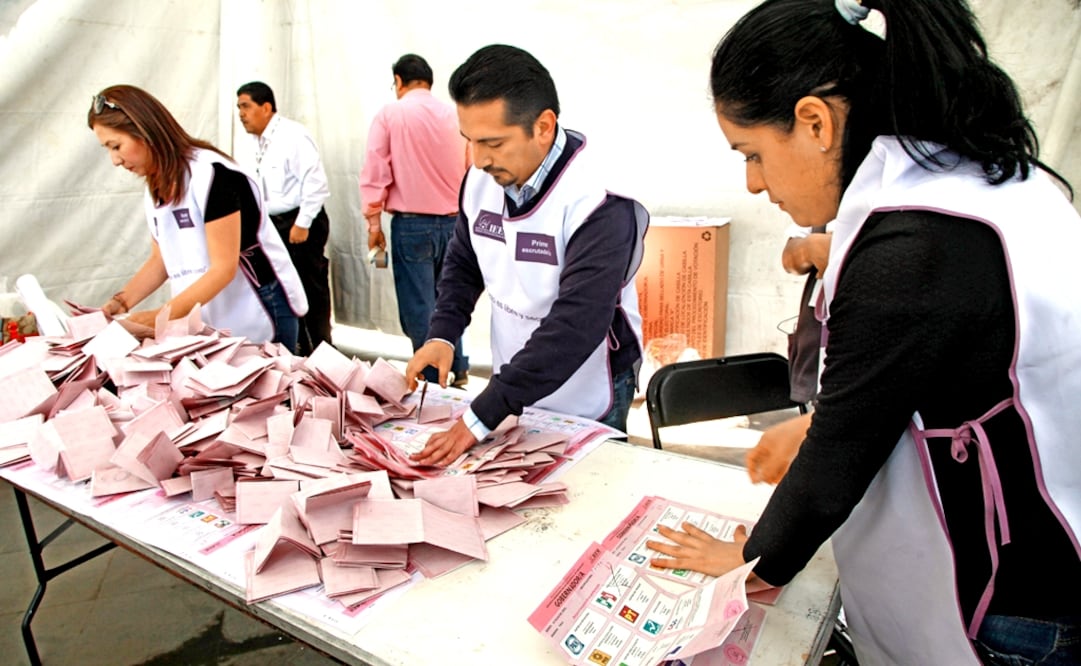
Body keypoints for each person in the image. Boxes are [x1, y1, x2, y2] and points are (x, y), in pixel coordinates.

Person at [646, 2, 1081, 664]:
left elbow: (832, 471)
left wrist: (748, 560)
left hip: (1007, 604)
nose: (753, 183)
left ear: (814, 121)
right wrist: (824, 419)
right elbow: (934, 370)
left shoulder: (910, 247)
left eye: (753, 154)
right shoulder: (979, 179)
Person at [404, 44, 649, 467]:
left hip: (589, 382)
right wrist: (442, 334)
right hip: (516, 380)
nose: (479, 160)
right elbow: (464, 263)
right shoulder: (482, 181)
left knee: (588, 490)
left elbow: (576, 325)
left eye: (493, 143)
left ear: (544, 127)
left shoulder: (599, 201)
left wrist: (481, 416)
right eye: (470, 142)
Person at [88, 85, 308, 349]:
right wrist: (119, 303)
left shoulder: (213, 176)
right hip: (209, 307)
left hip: (260, 305)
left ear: (144, 131)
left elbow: (223, 269)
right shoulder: (156, 185)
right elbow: (160, 260)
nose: (115, 160)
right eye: (108, 149)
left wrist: (159, 317)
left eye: (116, 146)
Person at [359, 55, 470, 385]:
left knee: (420, 305)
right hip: (454, 222)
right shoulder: (454, 114)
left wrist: (373, 224)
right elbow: (471, 168)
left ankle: (433, 373)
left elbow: (376, 170)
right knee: (450, 298)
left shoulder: (391, 114)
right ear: (429, 82)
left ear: (398, 80)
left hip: (411, 224)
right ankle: (458, 365)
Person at [236, 81, 333, 356]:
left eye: (246, 106)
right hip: (268, 225)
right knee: (279, 288)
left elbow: (315, 183)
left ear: (266, 108)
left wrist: (302, 223)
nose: (241, 114)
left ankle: (322, 351)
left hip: (299, 222)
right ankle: (294, 350)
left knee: (309, 288)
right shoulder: (249, 143)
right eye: (239, 108)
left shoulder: (293, 136)